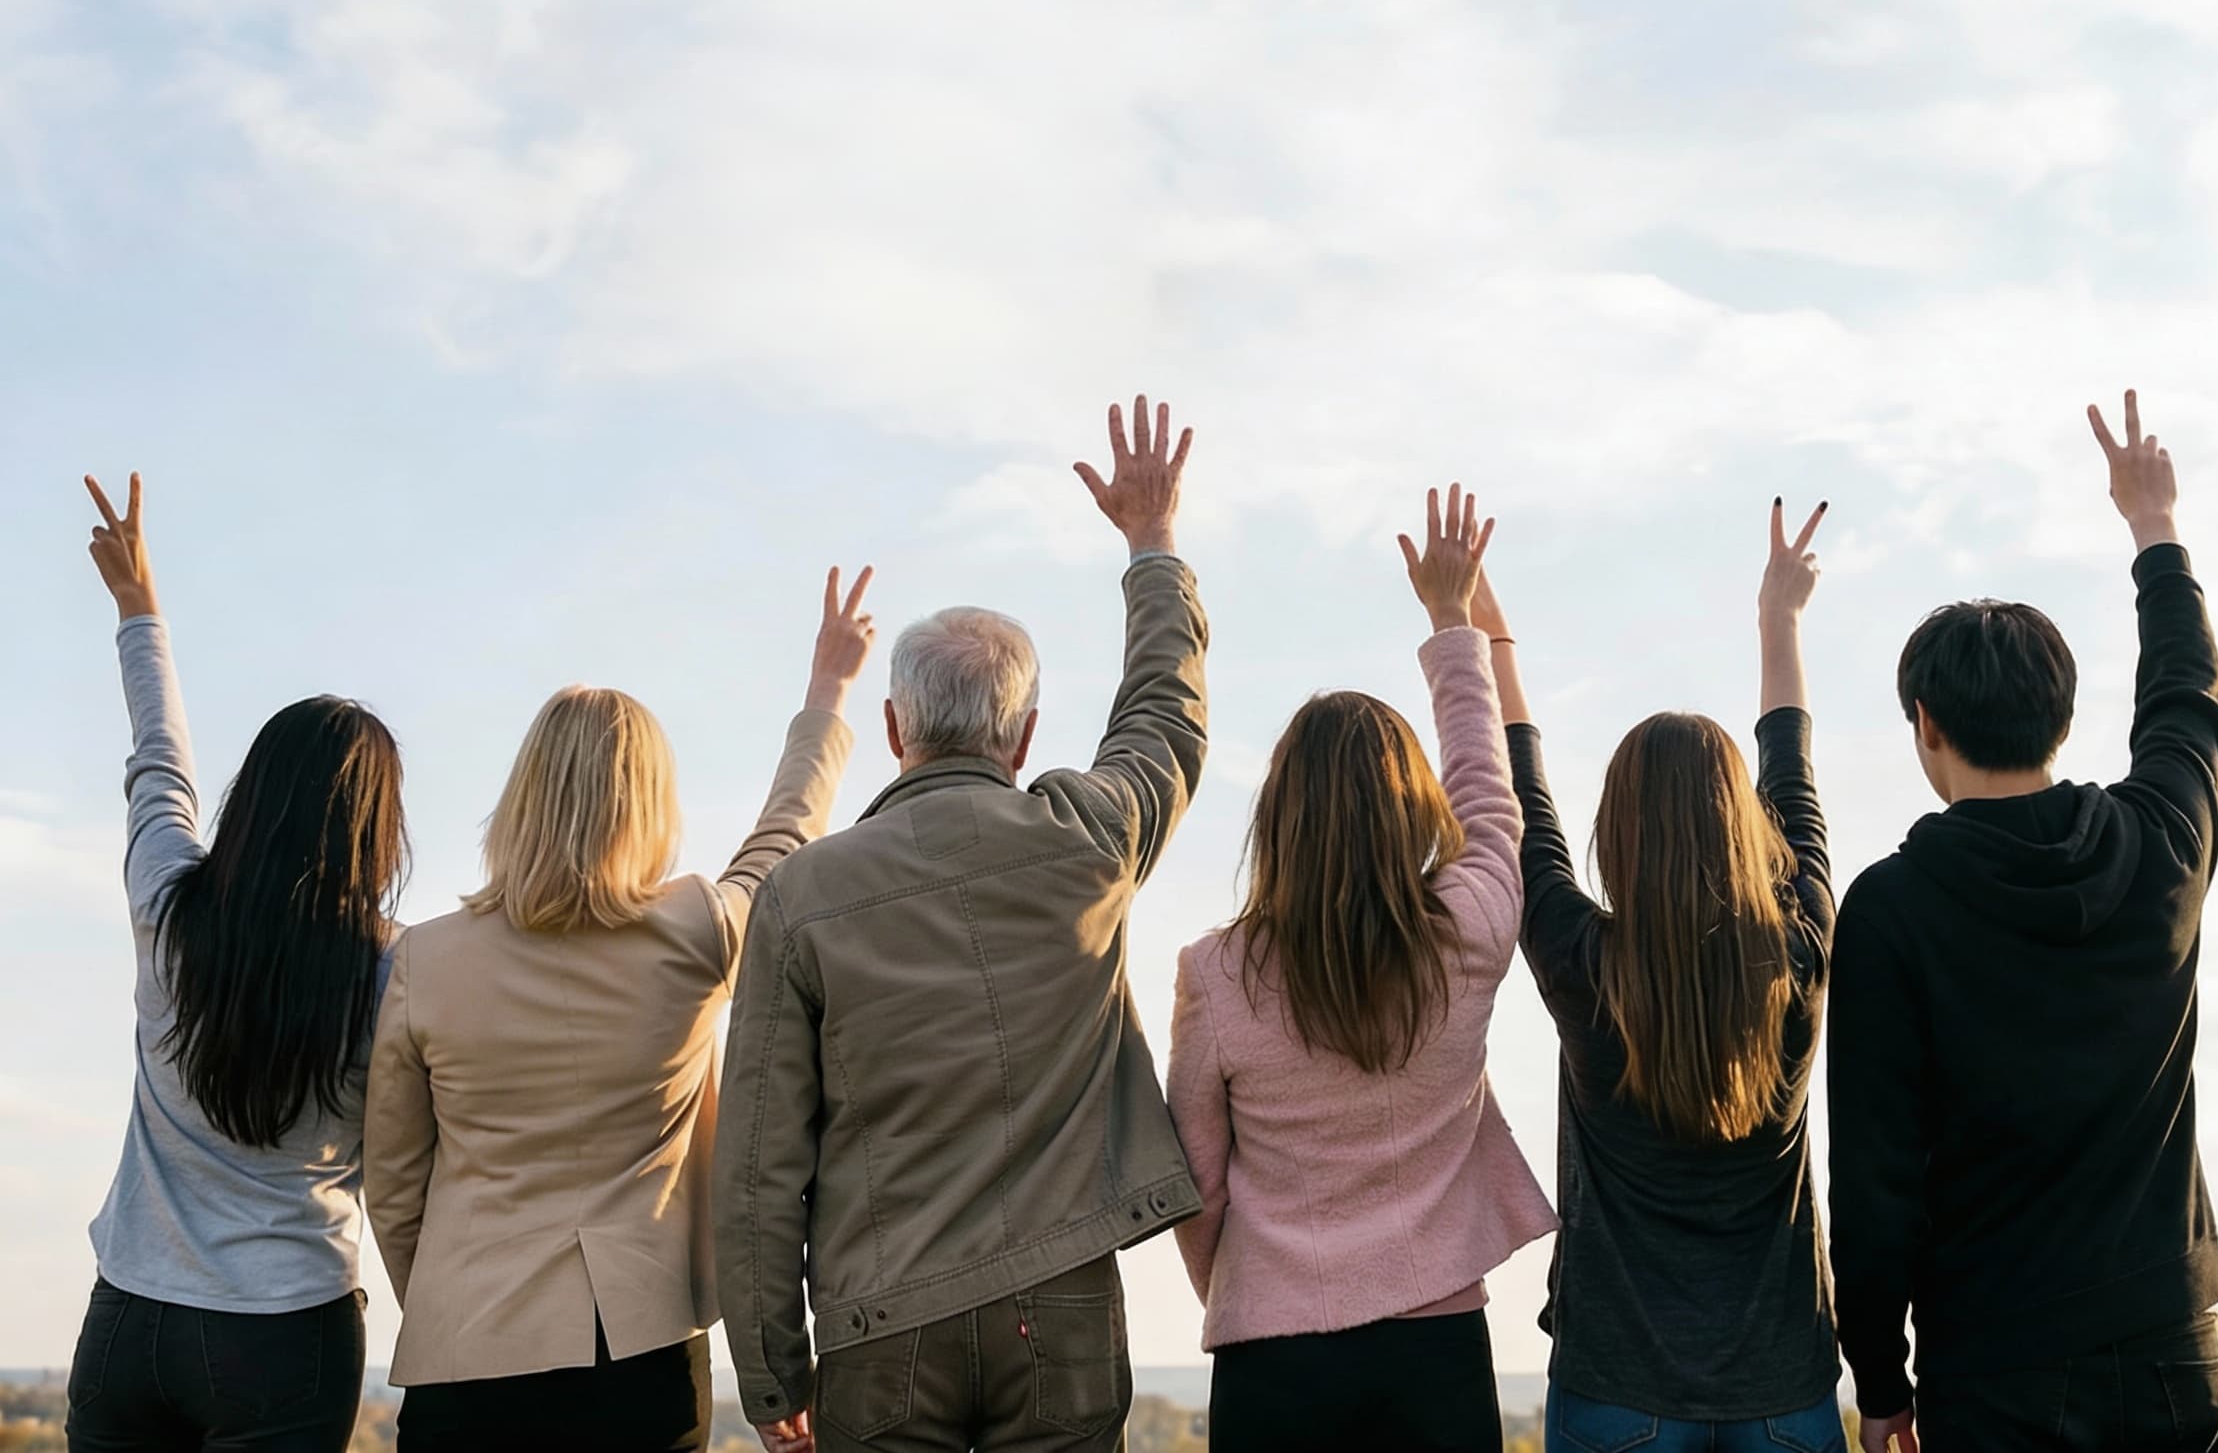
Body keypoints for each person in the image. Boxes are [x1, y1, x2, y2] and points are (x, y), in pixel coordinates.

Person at [714, 396, 1208, 1453]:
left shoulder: (802, 892)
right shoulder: (1089, 838)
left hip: (877, 1329)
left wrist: (769, 1371)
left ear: (893, 727)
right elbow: (1164, 712)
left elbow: (760, 1156)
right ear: (1025, 734)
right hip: (1064, 1304)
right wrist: (1153, 544)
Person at [363, 567, 876, 1453]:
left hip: (466, 1354)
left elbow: (396, 1183)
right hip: (639, 1353)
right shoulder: (698, 932)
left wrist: (452, 1297)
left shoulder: (425, 959)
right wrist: (828, 692)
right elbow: (786, 837)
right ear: (649, 804)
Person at [1831, 392, 2218, 1453]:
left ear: (1925, 724)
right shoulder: (2157, 847)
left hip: (1992, 1365)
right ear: (2062, 715)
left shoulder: (1889, 907)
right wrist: (2155, 525)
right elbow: (2188, 699)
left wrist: (1881, 1381)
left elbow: (1874, 1184)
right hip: (2171, 1345)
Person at [1167, 484, 1558, 1453]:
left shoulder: (1216, 972)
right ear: (1414, 804)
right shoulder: (1467, 929)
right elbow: (1488, 791)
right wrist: (1451, 621)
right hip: (1439, 1353)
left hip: (1274, 1360)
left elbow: (1197, 1186)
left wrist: (1249, 1281)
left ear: (1279, 817)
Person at [66, 474, 405, 1453]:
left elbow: (159, 759)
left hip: (131, 1318)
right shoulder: (391, 975)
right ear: (376, 832)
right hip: (288, 1333)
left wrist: (141, 609)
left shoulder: (168, 903)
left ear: (250, 793)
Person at [1518, 498, 1844, 1452]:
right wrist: (1779, 619)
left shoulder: (1584, 966)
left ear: (1616, 831)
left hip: (1617, 1392)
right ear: (1746, 830)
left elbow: (1525, 809)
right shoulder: (1798, 955)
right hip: (1786, 1391)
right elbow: (1796, 787)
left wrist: (1477, 628)